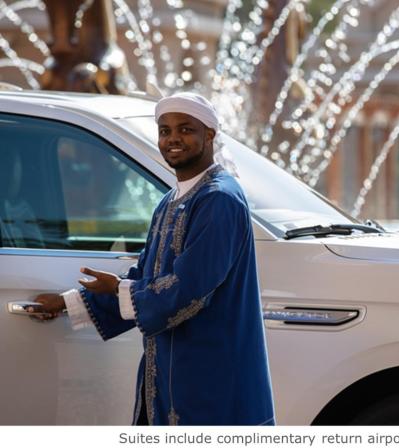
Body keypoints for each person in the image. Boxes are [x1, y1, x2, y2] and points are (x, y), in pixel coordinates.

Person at [33, 92, 275, 426]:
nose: (173, 138)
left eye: (185, 129)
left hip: (210, 377)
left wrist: (120, 289)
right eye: (165, 130)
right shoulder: (170, 201)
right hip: (168, 374)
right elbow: (145, 275)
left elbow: (189, 289)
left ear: (209, 135)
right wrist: (68, 303)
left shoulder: (219, 199)